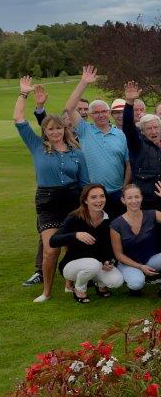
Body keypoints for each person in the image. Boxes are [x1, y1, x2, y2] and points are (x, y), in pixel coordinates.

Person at [15, 75, 90, 301]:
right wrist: (24, 94)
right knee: (51, 250)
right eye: (50, 129)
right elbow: (19, 118)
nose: (55, 132)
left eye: (58, 128)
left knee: (71, 246)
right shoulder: (37, 146)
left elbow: (84, 182)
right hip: (48, 201)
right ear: (45, 131)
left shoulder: (77, 153)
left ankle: (68, 283)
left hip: (72, 199)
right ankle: (46, 291)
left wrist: (89, 205)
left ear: (64, 130)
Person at [63, 66, 131, 216]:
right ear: (91, 115)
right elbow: (69, 108)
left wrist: (125, 188)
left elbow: (128, 164)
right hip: (92, 195)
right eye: (96, 112)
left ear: (109, 113)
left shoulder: (120, 135)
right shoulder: (85, 130)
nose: (101, 115)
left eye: (104, 112)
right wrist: (84, 82)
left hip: (117, 193)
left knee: (117, 230)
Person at [49, 184, 124, 303]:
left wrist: (109, 260)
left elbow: (109, 246)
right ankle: (79, 289)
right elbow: (53, 241)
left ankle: (99, 284)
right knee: (92, 265)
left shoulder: (109, 219)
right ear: (85, 200)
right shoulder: (74, 217)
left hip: (96, 264)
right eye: (93, 197)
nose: (99, 201)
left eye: (102, 196)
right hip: (72, 265)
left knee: (117, 281)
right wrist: (76, 235)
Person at [111, 183, 161, 299]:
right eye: (129, 198)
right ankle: (133, 281)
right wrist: (140, 267)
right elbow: (118, 255)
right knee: (136, 284)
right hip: (128, 264)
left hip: (149, 260)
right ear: (123, 200)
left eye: (137, 197)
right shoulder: (116, 225)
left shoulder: (152, 214)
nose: (134, 201)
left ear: (142, 198)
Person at [122, 82, 161, 210]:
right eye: (149, 129)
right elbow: (128, 128)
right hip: (144, 202)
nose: (153, 131)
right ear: (142, 131)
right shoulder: (137, 145)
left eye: (155, 127)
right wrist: (130, 103)